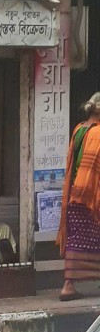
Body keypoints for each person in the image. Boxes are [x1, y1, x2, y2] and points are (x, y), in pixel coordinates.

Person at [58, 93, 100, 302]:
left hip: (74, 192)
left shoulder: (79, 129)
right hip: (92, 195)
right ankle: (68, 285)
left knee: (76, 238)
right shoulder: (99, 133)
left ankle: (69, 284)